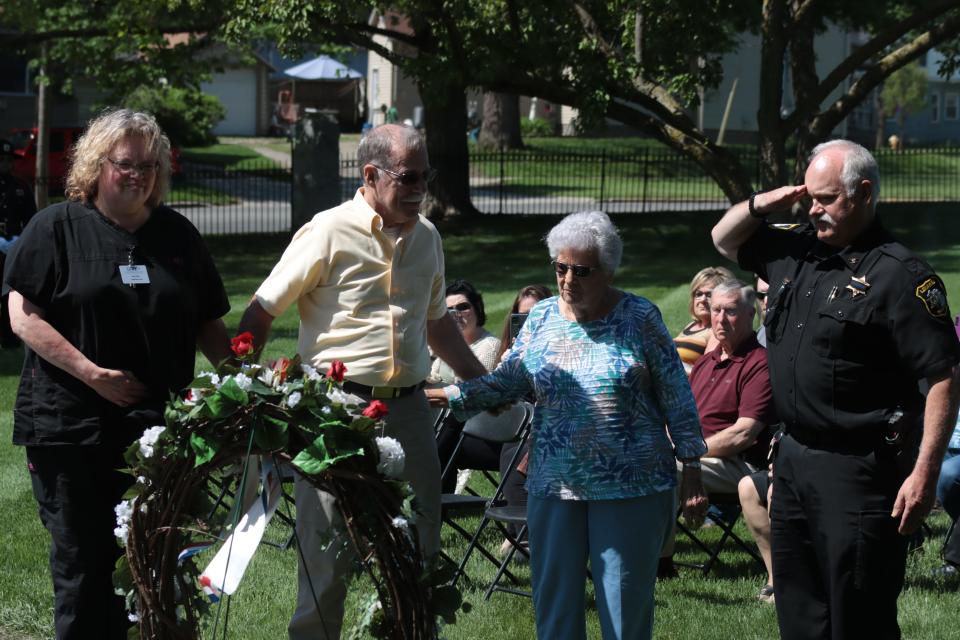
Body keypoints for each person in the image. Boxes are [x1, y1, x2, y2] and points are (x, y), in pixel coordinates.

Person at [236, 124, 487, 640]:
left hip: (412, 411)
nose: (420, 188)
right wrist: (244, 389)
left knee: (420, 547)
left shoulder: (429, 237)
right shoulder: (327, 230)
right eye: (408, 177)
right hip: (336, 412)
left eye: (426, 176)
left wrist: (486, 381)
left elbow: (437, 322)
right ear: (370, 175)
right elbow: (261, 309)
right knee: (327, 551)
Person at [712, 138, 960, 640]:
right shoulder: (795, 247)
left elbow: (943, 377)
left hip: (860, 470)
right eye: (809, 197)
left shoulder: (901, 276)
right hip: (796, 458)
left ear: (864, 193)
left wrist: (925, 472)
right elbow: (723, 238)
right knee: (800, 612)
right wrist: (765, 203)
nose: (813, 208)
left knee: (858, 615)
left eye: (826, 198)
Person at [3, 109, 231, 639]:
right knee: (84, 567)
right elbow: (22, 315)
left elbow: (208, 323)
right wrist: (90, 373)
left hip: (157, 431)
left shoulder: (178, 236)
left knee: (158, 561)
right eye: (126, 164)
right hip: (71, 430)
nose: (139, 175)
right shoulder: (55, 227)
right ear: (95, 164)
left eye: (150, 166)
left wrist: (246, 385)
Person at [426, 211, 708, 640]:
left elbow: (676, 395)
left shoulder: (641, 317)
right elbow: (509, 380)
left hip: (629, 484)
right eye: (560, 267)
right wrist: (446, 395)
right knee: (554, 605)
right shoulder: (540, 318)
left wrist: (692, 467)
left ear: (608, 270)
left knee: (623, 608)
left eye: (582, 270)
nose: (568, 279)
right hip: (554, 482)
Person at [659, 279, 775, 580]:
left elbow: (744, 433)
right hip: (699, 457)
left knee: (663, 468)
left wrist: (689, 454)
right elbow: (682, 418)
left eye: (731, 311)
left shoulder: (759, 363)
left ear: (750, 314)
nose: (721, 319)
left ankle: (661, 565)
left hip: (741, 464)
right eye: (716, 310)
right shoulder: (706, 362)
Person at [430, 279, 501, 492]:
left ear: (477, 309)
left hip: (475, 426)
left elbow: (470, 391)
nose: (456, 313)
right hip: (445, 421)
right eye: (449, 309)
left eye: (463, 307)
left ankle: (436, 496)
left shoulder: (488, 346)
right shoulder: (451, 344)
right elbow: (432, 376)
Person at [0, 138, 37, 347]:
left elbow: (31, 219)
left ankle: (9, 338)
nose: (5, 164)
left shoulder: (21, 187)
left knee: (9, 293)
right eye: (1, 159)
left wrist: (20, 240)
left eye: (8, 160)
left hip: (13, 248)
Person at [673, 266, 734, 374]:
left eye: (709, 295)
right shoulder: (691, 325)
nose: (702, 300)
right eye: (698, 294)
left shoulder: (717, 331)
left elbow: (706, 373)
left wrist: (673, 364)